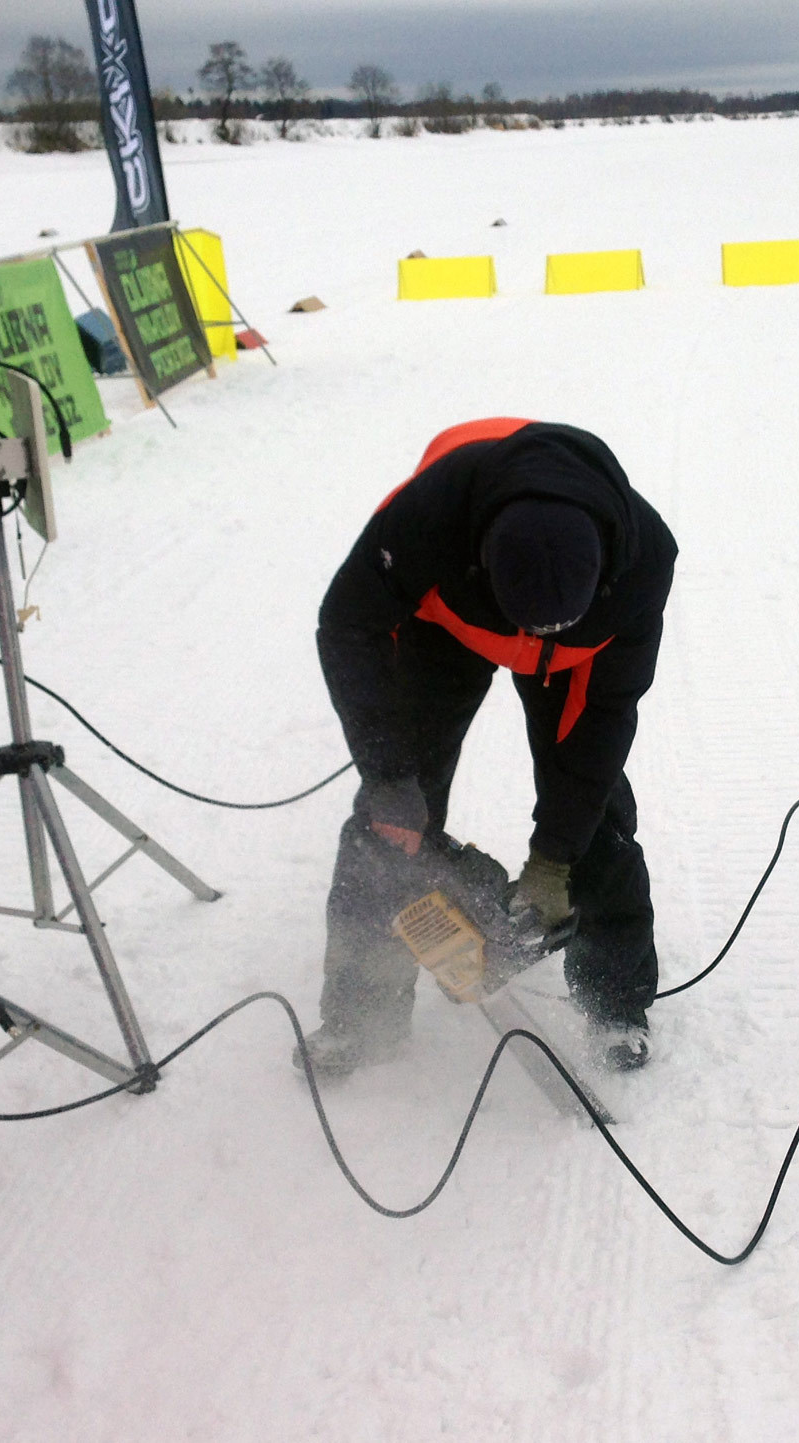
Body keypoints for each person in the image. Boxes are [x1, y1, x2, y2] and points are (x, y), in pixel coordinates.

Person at [298, 417, 677, 1077]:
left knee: (593, 809)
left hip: (577, 657)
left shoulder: (643, 562)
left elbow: (605, 717)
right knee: (388, 825)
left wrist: (554, 857)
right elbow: (347, 624)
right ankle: (360, 1014)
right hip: (446, 620)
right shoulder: (425, 519)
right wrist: (390, 778)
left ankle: (615, 999)